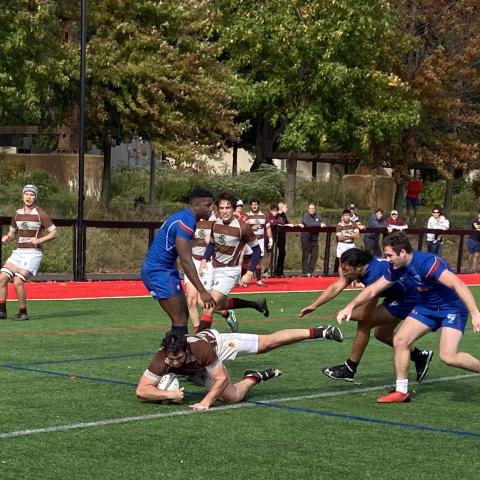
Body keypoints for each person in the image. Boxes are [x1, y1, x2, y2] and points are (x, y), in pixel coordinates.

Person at [336, 231, 480, 403]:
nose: (387, 259)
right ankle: (401, 391)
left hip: (452, 308)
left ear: (402, 252)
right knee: (400, 340)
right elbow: (374, 289)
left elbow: (458, 284)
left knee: (448, 356)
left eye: (389, 255)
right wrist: (350, 306)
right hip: (426, 307)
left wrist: (475, 313)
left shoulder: (426, 263)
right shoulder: (396, 267)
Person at [299, 248, 432, 382]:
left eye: (346, 269)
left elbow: (364, 315)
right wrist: (314, 305)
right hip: (398, 295)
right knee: (382, 335)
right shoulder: (363, 266)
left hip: (409, 298)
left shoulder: (374, 274)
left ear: (358, 268)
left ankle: (350, 368)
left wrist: (342, 313)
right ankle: (419, 355)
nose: (344, 273)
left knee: (365, 323)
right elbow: (337, 286)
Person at [136, 324, 343, 409]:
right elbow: (141, 390)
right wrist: (168, 396)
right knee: (233, 397)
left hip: (219, 345)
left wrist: (206, 402)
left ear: (186, 350)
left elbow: (221, 378)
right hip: (196, 370)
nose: (173, 363)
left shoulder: (200, 349)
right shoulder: (161, 358)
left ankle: (319, 331)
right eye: (171, 360)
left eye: (178, 358)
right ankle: (254, 377)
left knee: (267, 344)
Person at [140, 187, 216, 335]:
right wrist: (202, 291)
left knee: (182, 318)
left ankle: (176, 354)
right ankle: (172, 356)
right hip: (159, 272)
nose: (211, 209)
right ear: (196, 205)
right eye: (208, 205)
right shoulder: (185, 222)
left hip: (165, 270)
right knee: (180, 320)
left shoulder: (184, 217)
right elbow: (186, 260)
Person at [199, 193, 270, 332]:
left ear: (233, 208)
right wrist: (203, 260)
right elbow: (212, 244)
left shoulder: (242, 227)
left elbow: (256, 250)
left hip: (229, 271)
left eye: (228, 207)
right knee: (215, 304)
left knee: (208, 306)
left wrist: (249, 273)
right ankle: (256, 305)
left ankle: (197, 343)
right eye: (222, 208)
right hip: (213, 268)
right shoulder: (216, 224)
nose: (224, 211)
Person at [0, 185, 59, 321]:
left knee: (17, 281)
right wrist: (7, 237)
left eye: (32, 195)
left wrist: (39, 239)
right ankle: (2, 310)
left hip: (33, 253)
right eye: (26, 194)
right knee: (2, 277)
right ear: (22, 196)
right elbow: (12, 233)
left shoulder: (40, 213)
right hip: (19, 252)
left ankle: (23, 312)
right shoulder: (17, 214)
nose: (28, 197)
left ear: (35, 197)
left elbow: (55, 232)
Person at [245, 198, 273, 286]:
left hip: (260, 240)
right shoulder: (247, 215)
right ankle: (245, 280)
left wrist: (270, 239)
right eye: (253, 205)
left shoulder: (264, 216)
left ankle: (258, 280)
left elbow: (268, 228)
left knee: (258, 260)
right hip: (250, 240)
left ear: (258, 205)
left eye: (256, 204)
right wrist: (250, 227)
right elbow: (243, 228)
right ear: (250, 205)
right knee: (247, 260)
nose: (254, 206)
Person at [300, 203, 325, 277]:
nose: (312, 210)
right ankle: (305, 272)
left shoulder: (317, 216)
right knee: (305, 255)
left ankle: (311, 271)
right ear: (308, 209)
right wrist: (318, 224)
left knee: (315, 255)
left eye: (313, 208)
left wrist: (319, 224)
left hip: (314, 239)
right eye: (310, 208)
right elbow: (308, 224)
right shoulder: (305, 215)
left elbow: (322, 223)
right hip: (306, 238)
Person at [274, 202, 296, 277]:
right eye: (285, 207)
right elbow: (279, 223)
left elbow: (287, 223)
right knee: (282, 252)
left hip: (283, 236)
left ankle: (280, 271)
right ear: (281, 207)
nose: (287, 209)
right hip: (277, 235)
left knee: (282, 253)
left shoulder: (284, 215)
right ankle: (277, 271)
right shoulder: (277, 215)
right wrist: (287, 224)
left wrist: (295, 225)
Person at [334, 209, 360, 273]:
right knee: (341, 262)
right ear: (343, 216)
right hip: (342, 245)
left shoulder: (354, 224)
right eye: (345, 215)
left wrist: (346, 235)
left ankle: (352, 276)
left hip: (351, 244)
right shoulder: (339, 225)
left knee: (353, 262)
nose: (347, 217)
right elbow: (340, 238)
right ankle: (341, 276)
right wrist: (351, 235)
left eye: (348, 215)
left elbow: (357, 236)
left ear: (350, 216)